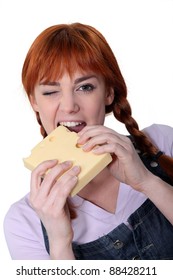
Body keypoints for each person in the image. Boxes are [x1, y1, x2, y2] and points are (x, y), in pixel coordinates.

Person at [3, 22, 173, 260]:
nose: (69, 106)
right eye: (51, 91)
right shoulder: (23, 222)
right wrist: (60, 241)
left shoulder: (163, 142)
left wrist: (147, 182)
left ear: (108, 93)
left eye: (85, 87)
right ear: (34, 102)